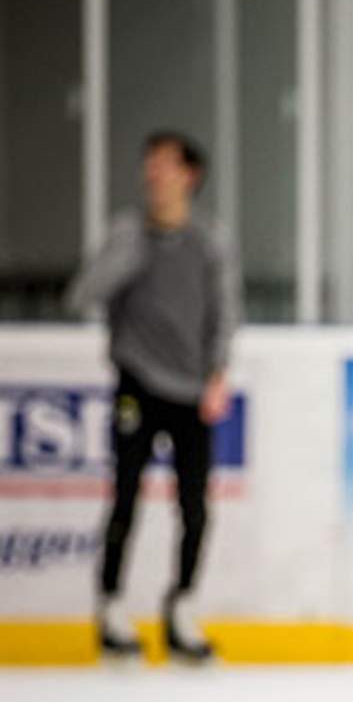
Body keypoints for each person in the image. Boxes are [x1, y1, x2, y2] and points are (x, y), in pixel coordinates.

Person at [65, 131, 238, 662]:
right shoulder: (127, 233)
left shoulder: (210, 239)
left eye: (164, 164)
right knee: (124, 496)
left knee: (195, 507)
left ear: (190, 174)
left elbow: (224, 311)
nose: (153, 174)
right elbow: (83, 295)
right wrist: (133, 251)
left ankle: (182, 604)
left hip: (191, 387)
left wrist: (218, 373)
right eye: (150, 163)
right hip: (137, 382)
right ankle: (111, 603)